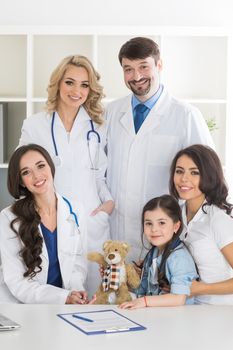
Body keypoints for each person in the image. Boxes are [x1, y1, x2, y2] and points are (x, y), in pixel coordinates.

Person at [105, 36, 214, 263]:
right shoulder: (111, 113)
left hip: (165, 238)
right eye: (128, 69)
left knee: (159, 295)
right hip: (116, 235)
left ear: (159, 65)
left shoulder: (185, 115)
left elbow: (207, 177)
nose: (137, 76)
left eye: (144, 66)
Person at [18, 55, 114, 297]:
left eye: (84, 85)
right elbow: (23, 173)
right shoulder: (35, 125)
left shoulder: (97, 126)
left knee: (94, 292)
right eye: (70, 82)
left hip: (92, 218)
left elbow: (99, 174)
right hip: (51, 218)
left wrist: (108, 204)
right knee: (53, 290)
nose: (77, 91)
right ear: (58, 83)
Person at [0, 144, 95, 304]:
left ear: (50, 167)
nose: (37, 176)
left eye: (41, 166)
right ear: (22, 182)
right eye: (26, 172)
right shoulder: (8, 218)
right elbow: (17, 281)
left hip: (65, 306)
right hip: (21, 306)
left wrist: (75, 292)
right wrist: (63, 297)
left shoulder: (76, 210)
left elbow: (77, 265)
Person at [169, 144, 233, 305]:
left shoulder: (217, 219)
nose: (184, 178)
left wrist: (201, 288)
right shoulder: (177, 215)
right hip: (190, 307)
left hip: (222, 311)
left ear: (209, 176)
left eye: (194, 172)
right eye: (179, 171)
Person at [119, 195, 198, 309]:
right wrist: (117, 278)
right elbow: (143, 290)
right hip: (157, 315)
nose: (154, 229)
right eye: (149, 223)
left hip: (178, 318)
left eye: (161, 223)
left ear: (176, 226)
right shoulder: (153, 253)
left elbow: (178, 298)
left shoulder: (179, 258)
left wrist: (144, 301)